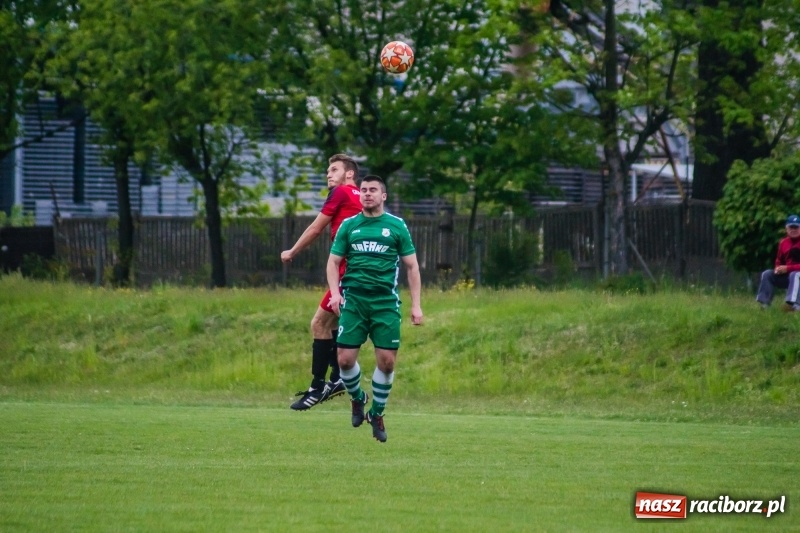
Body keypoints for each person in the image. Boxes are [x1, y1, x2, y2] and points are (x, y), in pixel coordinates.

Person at [326, 175, 423, 443]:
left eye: (373, 190)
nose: (367, 194)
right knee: (344, 360)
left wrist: (416, 306)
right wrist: (335, 295)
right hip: (354, 301)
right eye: (364, 190)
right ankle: (358, 398)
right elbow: (333, 263)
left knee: (387, 363)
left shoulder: (396, 226)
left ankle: (377, 414)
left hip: (384, 303)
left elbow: (412, 267)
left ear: (384, 196)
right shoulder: (349, 225)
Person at [281, 154, 363, 410]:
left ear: (349, 174)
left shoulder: (341, 193)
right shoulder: (364, 197)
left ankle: (317, 387)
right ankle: (339, 379)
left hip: (347, 274)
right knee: (334, 325)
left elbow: (316, 228)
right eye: (328, 170)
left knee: (318, 323)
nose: (329, 174)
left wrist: (292, 251)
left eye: (334, 169)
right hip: (361, 273)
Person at [756, 214, 800, 311]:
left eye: (796, 227)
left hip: (797, 275)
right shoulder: (783, 243)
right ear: (786, 228)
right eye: (791, 227)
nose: (793, 229)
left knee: (795, 274)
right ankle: (765, 304)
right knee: (767, 274)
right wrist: (778, 269)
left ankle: (793, 305)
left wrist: (787, 268)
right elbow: (779, 260)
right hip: (788, 276)